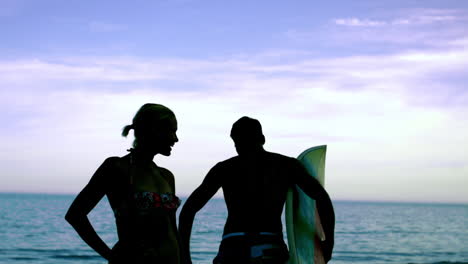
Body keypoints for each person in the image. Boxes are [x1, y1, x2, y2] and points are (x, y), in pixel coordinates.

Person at [179, 116, 335, 264]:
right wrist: (328, 242)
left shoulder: (225, 168)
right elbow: (322, 198)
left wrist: (184, 256)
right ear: (262, 139)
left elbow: (188, 210)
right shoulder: (286, 165)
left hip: (233, 246)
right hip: (270, 246)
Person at [65, 103, 181, 264]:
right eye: (171, 131)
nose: (176, 138)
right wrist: (110, 256)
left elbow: (172, 227)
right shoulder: (116, 168)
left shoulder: (167, 176)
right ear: (153, 129)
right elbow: (75, 215)